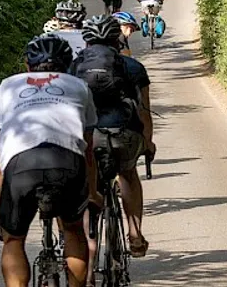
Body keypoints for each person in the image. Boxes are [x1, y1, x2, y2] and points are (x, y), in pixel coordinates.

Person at [0, 34, 100, 287]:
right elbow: (88, 148)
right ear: (68, 64)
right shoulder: (78, 86)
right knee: (73, 230)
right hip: (67, 162)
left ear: (27, 65)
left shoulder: (8, 85)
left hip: (21, 165)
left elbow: (3, 145)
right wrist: (92, 193)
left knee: (14, 239)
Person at [71, 15, 155, 268]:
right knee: (128, 172)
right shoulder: (133, 67)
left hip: (87, 137)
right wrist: (148, 144)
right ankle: (135, 233)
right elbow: (144, 111)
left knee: (87, 185)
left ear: (86, 42)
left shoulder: (74, 67)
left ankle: (87, 245)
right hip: (123, 135)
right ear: (116, 40)